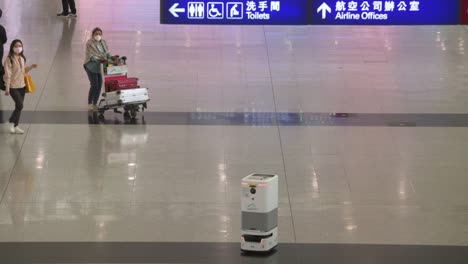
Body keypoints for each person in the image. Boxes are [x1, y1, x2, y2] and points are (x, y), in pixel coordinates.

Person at [3, 39, 38, 134]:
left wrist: (31, 67)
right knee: (20, 105)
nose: (18, 48)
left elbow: (23, 71)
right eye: (16, 46)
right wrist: (7, 88)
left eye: (20, 46)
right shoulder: (9, 59)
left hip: (22, 86)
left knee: (18, 107)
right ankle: (11, 122)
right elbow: (7, 75)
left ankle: (16, 125)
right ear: (12, 47)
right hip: (13, 87)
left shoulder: (22, 58)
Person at [83, 27, 113, 111]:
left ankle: (95, 104)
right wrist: (99, 59)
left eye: (100, 34)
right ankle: (90, 103)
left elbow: (107, 53)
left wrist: (113, 59)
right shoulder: (90, 43)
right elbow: (91, 55)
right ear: (93, 35)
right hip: (91, 66)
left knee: (99, 85)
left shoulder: (103, 42)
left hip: (99, 67)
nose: (98, 36)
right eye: (96, 34)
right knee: (94, 85)